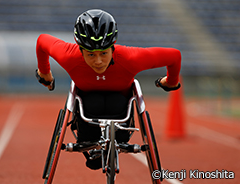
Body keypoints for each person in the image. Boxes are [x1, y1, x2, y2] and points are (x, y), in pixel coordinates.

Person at [35, 9, 181, 169]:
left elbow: (174, 56)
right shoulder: (69, 55)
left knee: (115, 101)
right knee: (94, 102)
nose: (98, 61)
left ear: (113, 47)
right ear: (81, 50)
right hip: (86, 114)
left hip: (121, 112)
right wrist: (170, 82)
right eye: (91, 54)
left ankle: (105, 147)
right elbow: (42, 41)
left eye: (104, 53)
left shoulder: (130, 58)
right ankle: (96, 149)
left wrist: (45, 75)